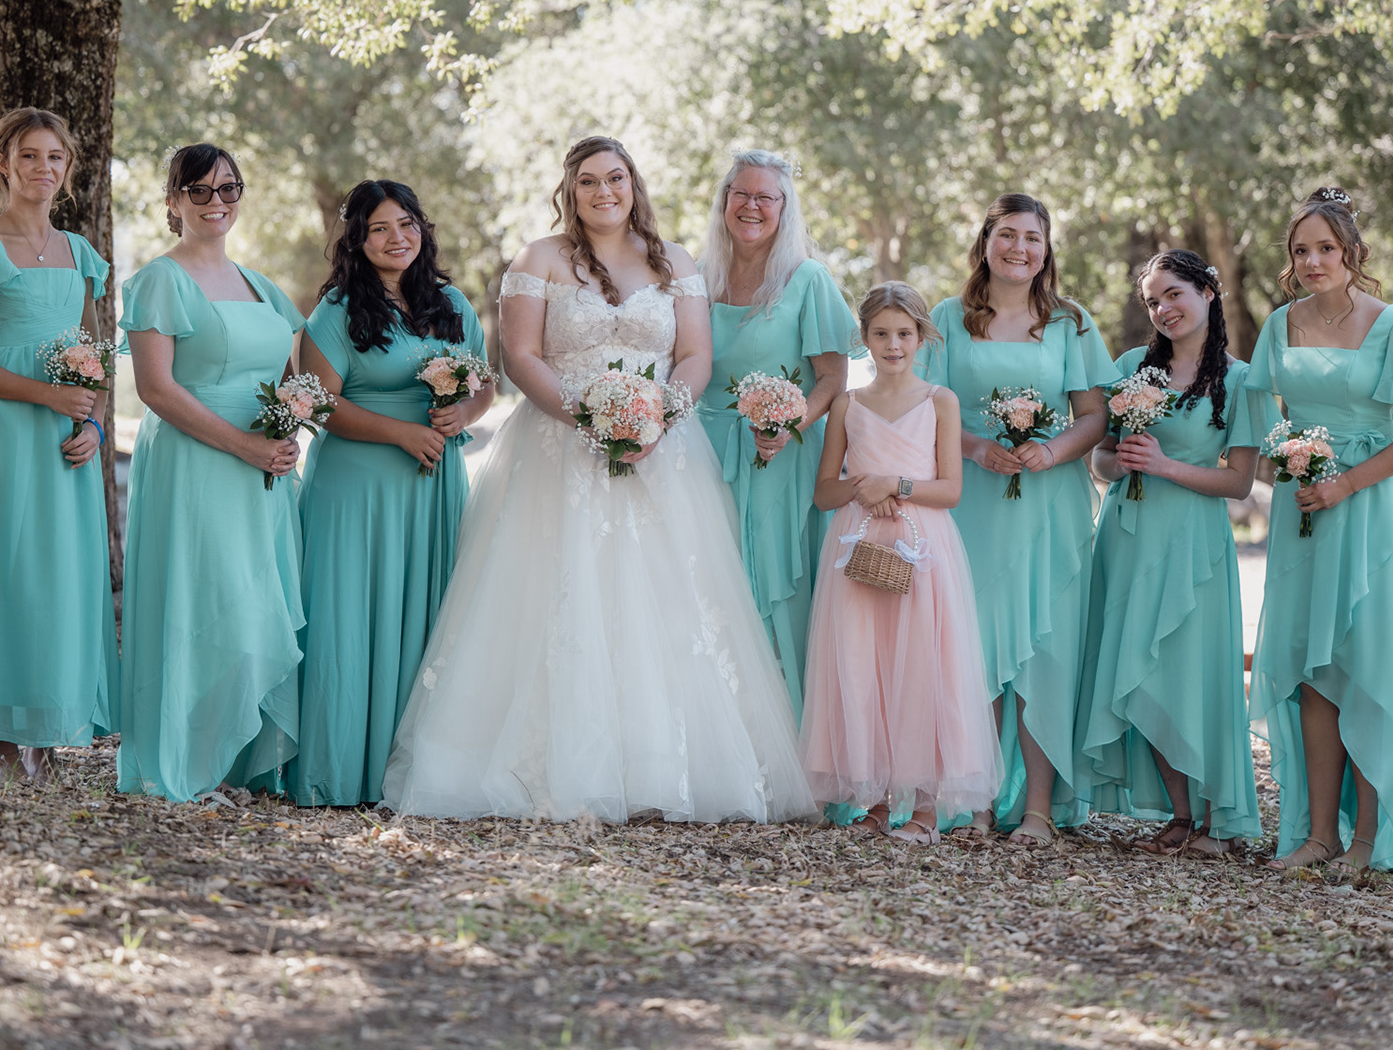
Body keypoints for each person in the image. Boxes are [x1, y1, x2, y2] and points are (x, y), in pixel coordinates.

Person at [381, 136, 813, 822]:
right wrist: (590, 419)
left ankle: (661, 768)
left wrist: (656, 420)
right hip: (558, 449)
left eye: (615, 178)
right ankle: (547, 767)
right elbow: (520, 357)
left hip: (663, 450)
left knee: (666, 601)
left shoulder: (674, 262)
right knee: (558, 591)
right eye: (588, 181)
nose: (604, 191)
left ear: (633, 184)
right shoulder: (539, 259)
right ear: (570, 190)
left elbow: (695, 356)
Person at [1247, 188, 1393, 872]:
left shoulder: (1392, 326)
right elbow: (1262, 419)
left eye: (1326, 249)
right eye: (1301, 250)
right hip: (1304, 507)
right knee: (1313, 669)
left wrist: (1349, 482)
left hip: (1373, 509)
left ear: (1352, 253)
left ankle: (1367, 839)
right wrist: (1290, 459)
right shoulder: (1279, 326)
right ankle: (1317, 834)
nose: (1313, 261)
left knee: (1366, 664)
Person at [0, 106, 116, 783]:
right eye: (30, 155)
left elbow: (94, 357)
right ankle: (1, 746)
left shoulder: (81, 255)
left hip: (65, 442)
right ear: (3, 164)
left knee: (57, 578)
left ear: (68, 168)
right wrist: (45, 395)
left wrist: (93, 425)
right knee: (6, 574)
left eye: (55, 157)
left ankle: (47, 737)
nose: (43, 168)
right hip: (4, 436)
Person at [921, 193, 1117, 845]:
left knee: (1044, 648)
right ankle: (975, 799)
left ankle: (1037, 807)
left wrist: (1052, 451)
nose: (1019, 248)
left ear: (1046, 248)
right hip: (972, 499)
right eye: (1007, 235)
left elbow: (1095, 414)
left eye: (1032, 238)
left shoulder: (1071, 322)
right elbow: (924, 408)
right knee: (975, 643)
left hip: (1049, 504)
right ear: (985, 242)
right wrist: (977, 447)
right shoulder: (947, 318)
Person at [117, 144, 310, 803]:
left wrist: (287, 430)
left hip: (263, 472)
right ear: (173, 202)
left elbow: (290, 378)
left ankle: (236, 761)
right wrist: (244, 446)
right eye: (198, 190)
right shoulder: (159, 282)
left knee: (254, 604)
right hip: (196, 462)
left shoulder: (262, 286)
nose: (216, 201)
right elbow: (156, 389)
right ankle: (184, 763)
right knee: (202, 600)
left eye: (228, 188)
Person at [290, 180, 492, 807]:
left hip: (433, 487)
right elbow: (321, 404)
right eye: (379, 228)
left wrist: (464, 412)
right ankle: (339, 770)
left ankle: (412, 773)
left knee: (427, 616)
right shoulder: (337, 311)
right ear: (357, 239)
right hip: (358, 487)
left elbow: (484, 384)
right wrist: (401, 433)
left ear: (422, 228)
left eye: (406, 224)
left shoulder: (451, 302)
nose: (396, 238)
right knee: (352, 621)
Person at [801, 283, 1001, 844]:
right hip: (858, 544)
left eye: (904, 334)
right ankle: (875, 801)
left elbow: (951, 490)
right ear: (864, 339)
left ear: (921, 337)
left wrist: (898, 485)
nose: (893, 345)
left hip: (923, 547)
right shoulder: (847, 404)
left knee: (922, 665)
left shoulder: (939, 401)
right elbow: (824, 491)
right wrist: (863, 488)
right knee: (864, 662)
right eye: (881, 334)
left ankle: (926, 810)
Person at [1082, 249, 1267, 856]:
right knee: (1141, 664)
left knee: (1193, 671)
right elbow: (1100, 458)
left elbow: (1238, 482)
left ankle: (1218, 815)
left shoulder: (1241, 381)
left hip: (1193, 543)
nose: (1163, 309)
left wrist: (1164, 466)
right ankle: (1180, 815)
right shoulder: (1129, 368)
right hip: (1128, 536)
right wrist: (1121, 462)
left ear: (1208, 292)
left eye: (1174, 295)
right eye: (1152, 301)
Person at [697, 149, 857, 715]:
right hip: (704, 455)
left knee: (775, 594)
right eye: (741, 193)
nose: (752, 206)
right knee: (712, 594)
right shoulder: (699, 276)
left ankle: (790, 737)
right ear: (724, 201)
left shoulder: (807, 279)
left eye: (766, 196)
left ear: (784, 208)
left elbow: (833, 377)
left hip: (781, 457)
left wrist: (787, 425)